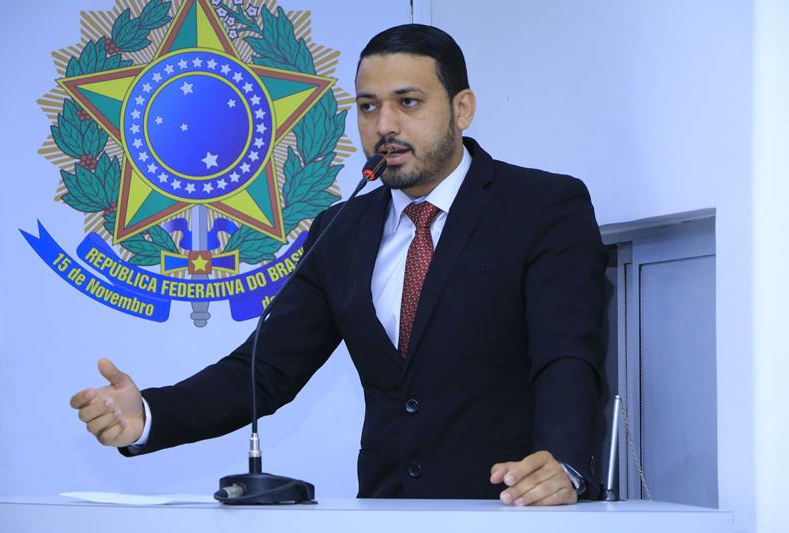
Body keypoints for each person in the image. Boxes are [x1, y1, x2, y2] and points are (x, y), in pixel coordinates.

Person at [71, 24, 606, 506]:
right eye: (368, 107)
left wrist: (564, 464)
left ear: (462, 109)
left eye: (408, 102)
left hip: (512, 508)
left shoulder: (542, 207)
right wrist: (149, 415)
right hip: (384, 510)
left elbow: (566, 353)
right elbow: (265, 370)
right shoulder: (341, 229)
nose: (384, 125)